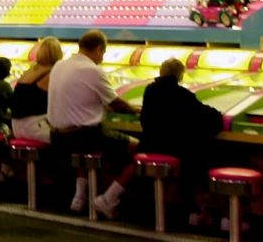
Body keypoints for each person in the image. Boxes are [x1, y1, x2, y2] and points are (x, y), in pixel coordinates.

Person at [47, 30, 138, 217]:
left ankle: (79, 197)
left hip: (57, 136)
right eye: (103, 54)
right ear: (98, 50)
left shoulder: (59, 65)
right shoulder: (93, 70)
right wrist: (137, 109)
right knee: (137, 148)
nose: (102, 59)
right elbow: (117, 104)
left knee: (84, 143)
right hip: (82, 137)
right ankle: (107, 199)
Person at [140, 58, 224, 226]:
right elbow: (211, 117)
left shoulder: (149, 91)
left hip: (151, 147)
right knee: (201, 160)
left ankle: (188, 212)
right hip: (176, 151)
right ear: (180, 75)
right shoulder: (183, 95)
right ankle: (206, 213)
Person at [11, 37, 62, 143]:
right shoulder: (51, 73)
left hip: (16, 127)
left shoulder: (31, 70)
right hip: (33, 128)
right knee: (66, 140)